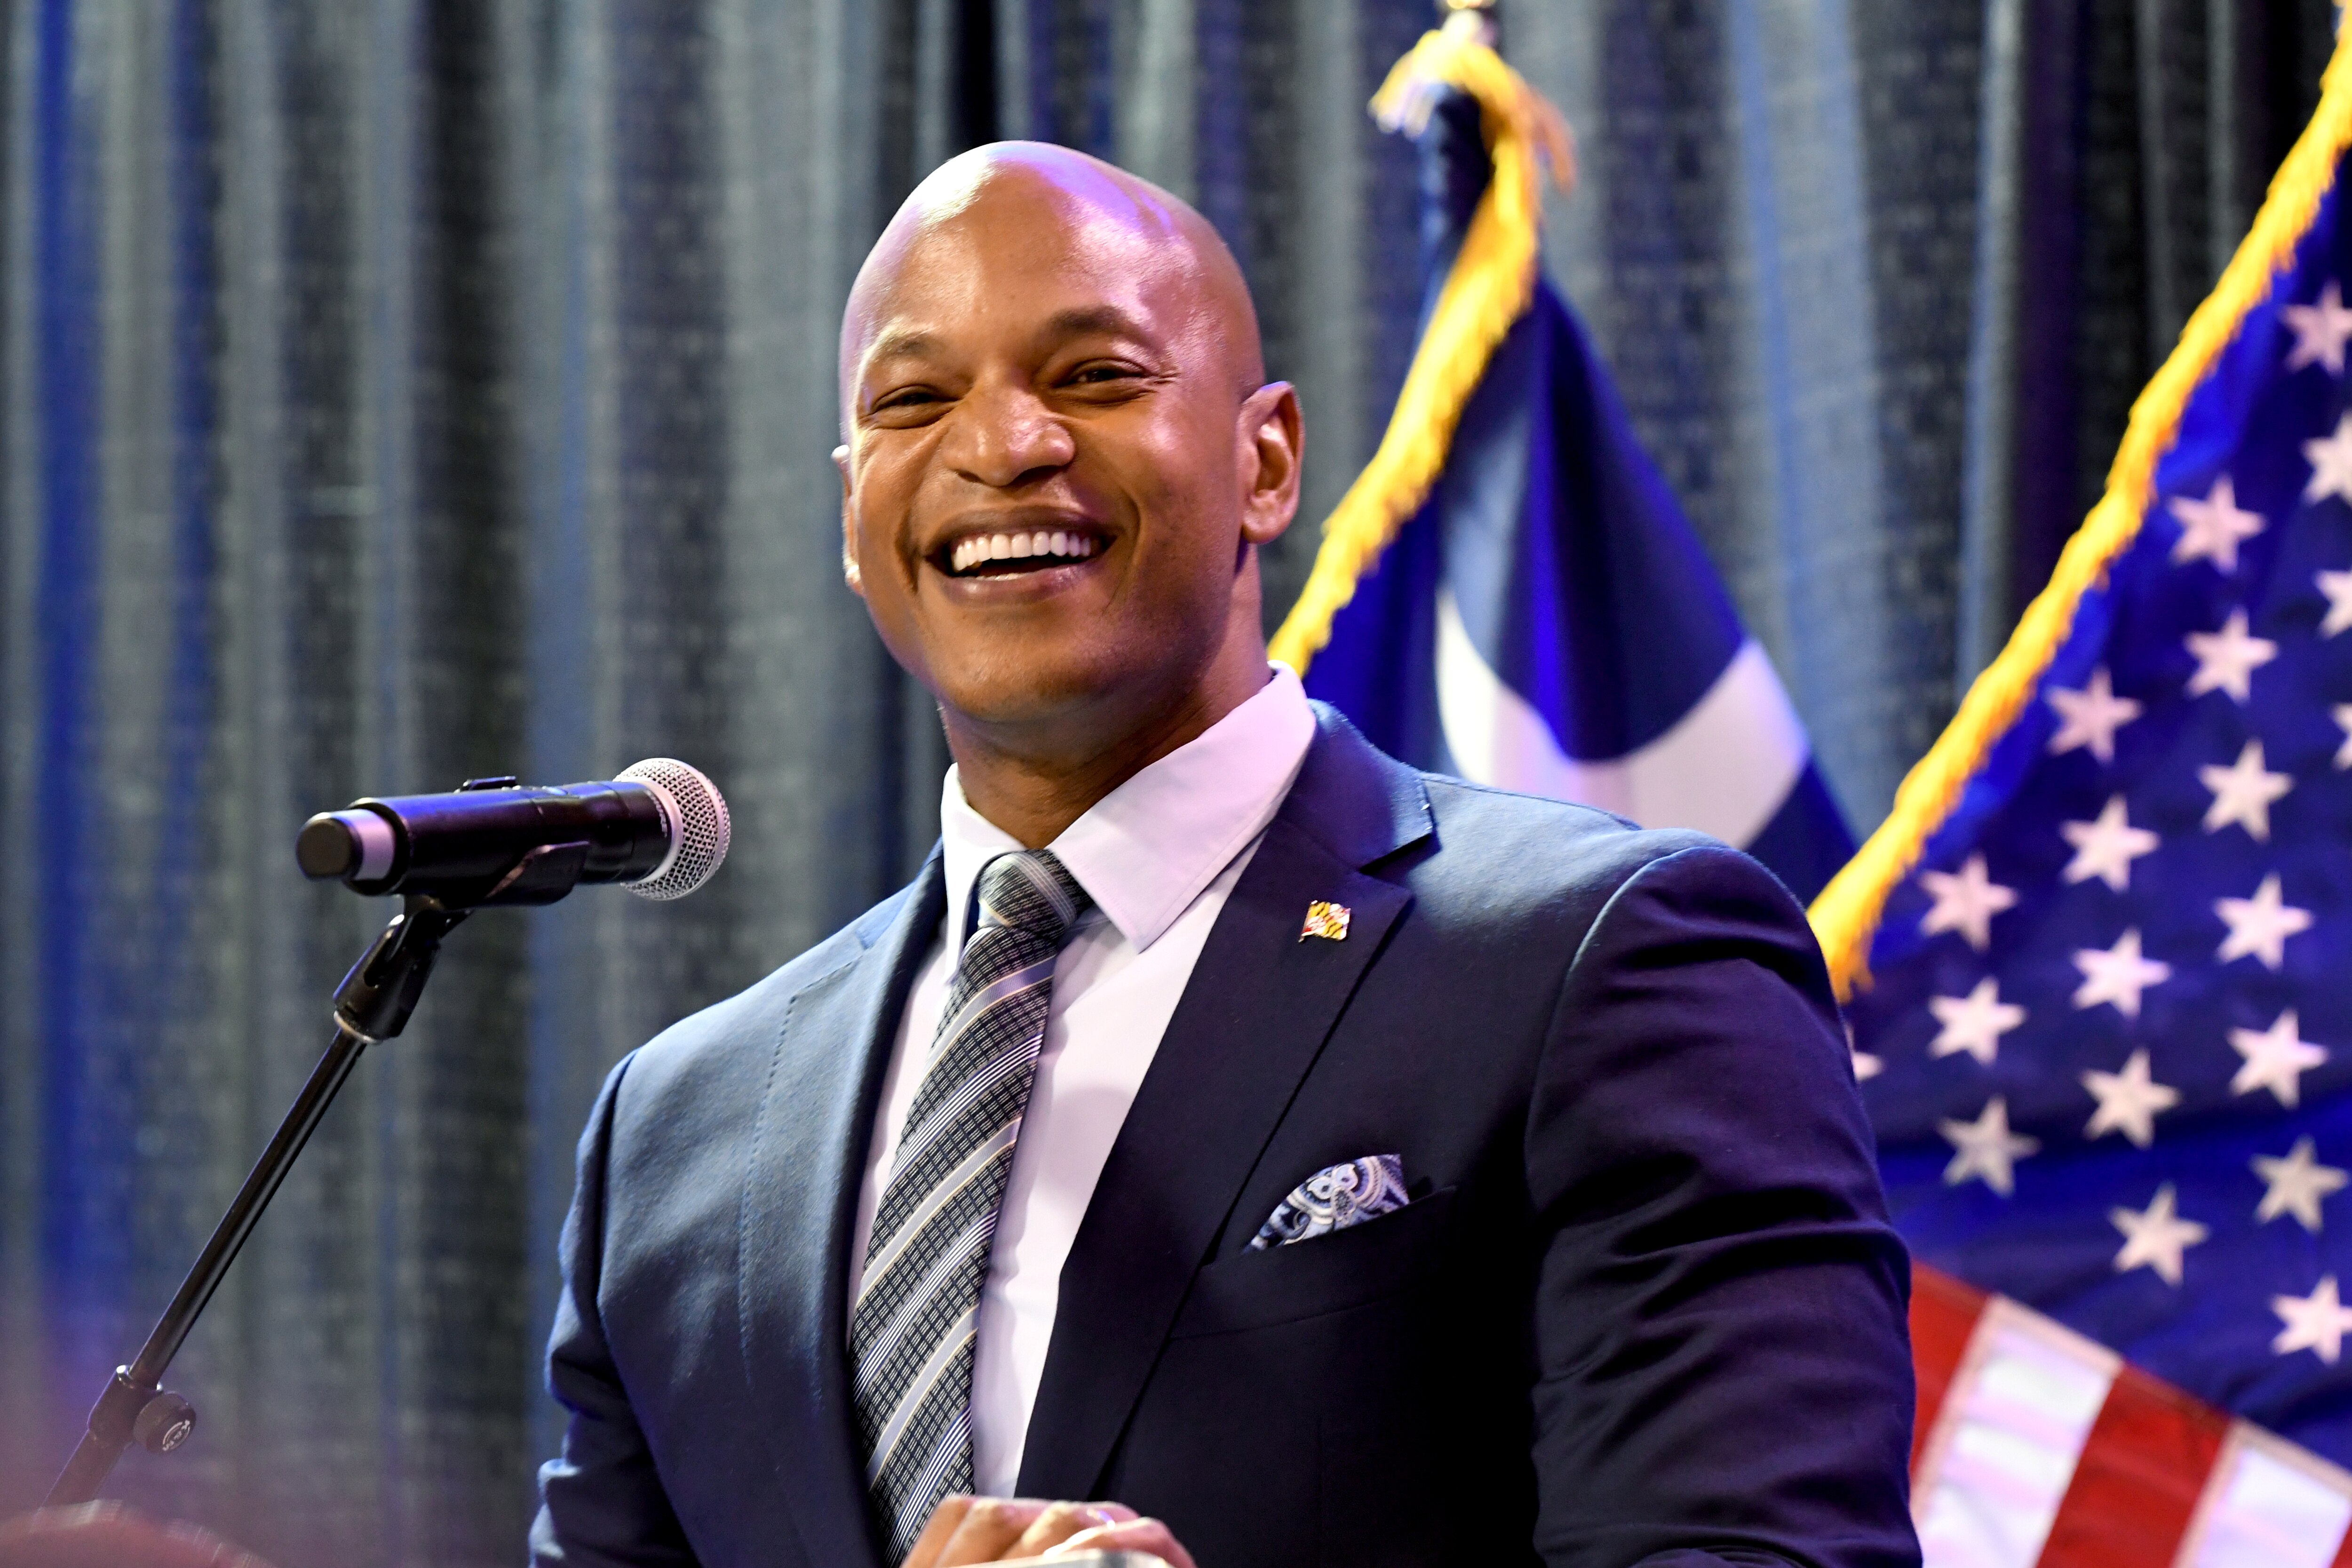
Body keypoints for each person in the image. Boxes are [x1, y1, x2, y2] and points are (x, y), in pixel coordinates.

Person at [530, 142, 1919, 1568]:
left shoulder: (1602, 960)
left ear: (1265, 461)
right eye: (914, 398)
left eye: (1095, 377)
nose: (1001, 445)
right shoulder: (677, 1133)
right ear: (851, 510)